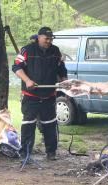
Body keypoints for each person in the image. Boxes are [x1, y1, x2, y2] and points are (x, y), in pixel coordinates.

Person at [12, 27, 67, 160]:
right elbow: (16, 67)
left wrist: (65, 82)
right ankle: (25, 154)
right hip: (31, 96)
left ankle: (51, 153)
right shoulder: (27, 50)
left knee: (49, 125)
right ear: (39, 37)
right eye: (46, 38)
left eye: (50, 39)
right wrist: (27, 80)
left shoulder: (55, 51)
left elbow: (61, 69)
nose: (48, 41)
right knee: (28, 126)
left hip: (49, 96)